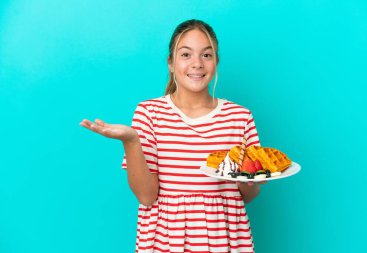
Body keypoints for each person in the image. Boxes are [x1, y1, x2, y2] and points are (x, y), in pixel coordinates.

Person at [80, 19, 265, 253]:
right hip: (165, 244)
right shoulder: (150, 113)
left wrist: (246, 178)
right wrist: (131, 141)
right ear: (170, 62)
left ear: (216, 61)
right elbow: (147, 197)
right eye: (186, 54)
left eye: (206, 55)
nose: (197, 64)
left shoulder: (239, 117)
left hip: (225, 243)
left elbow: (248, 195)